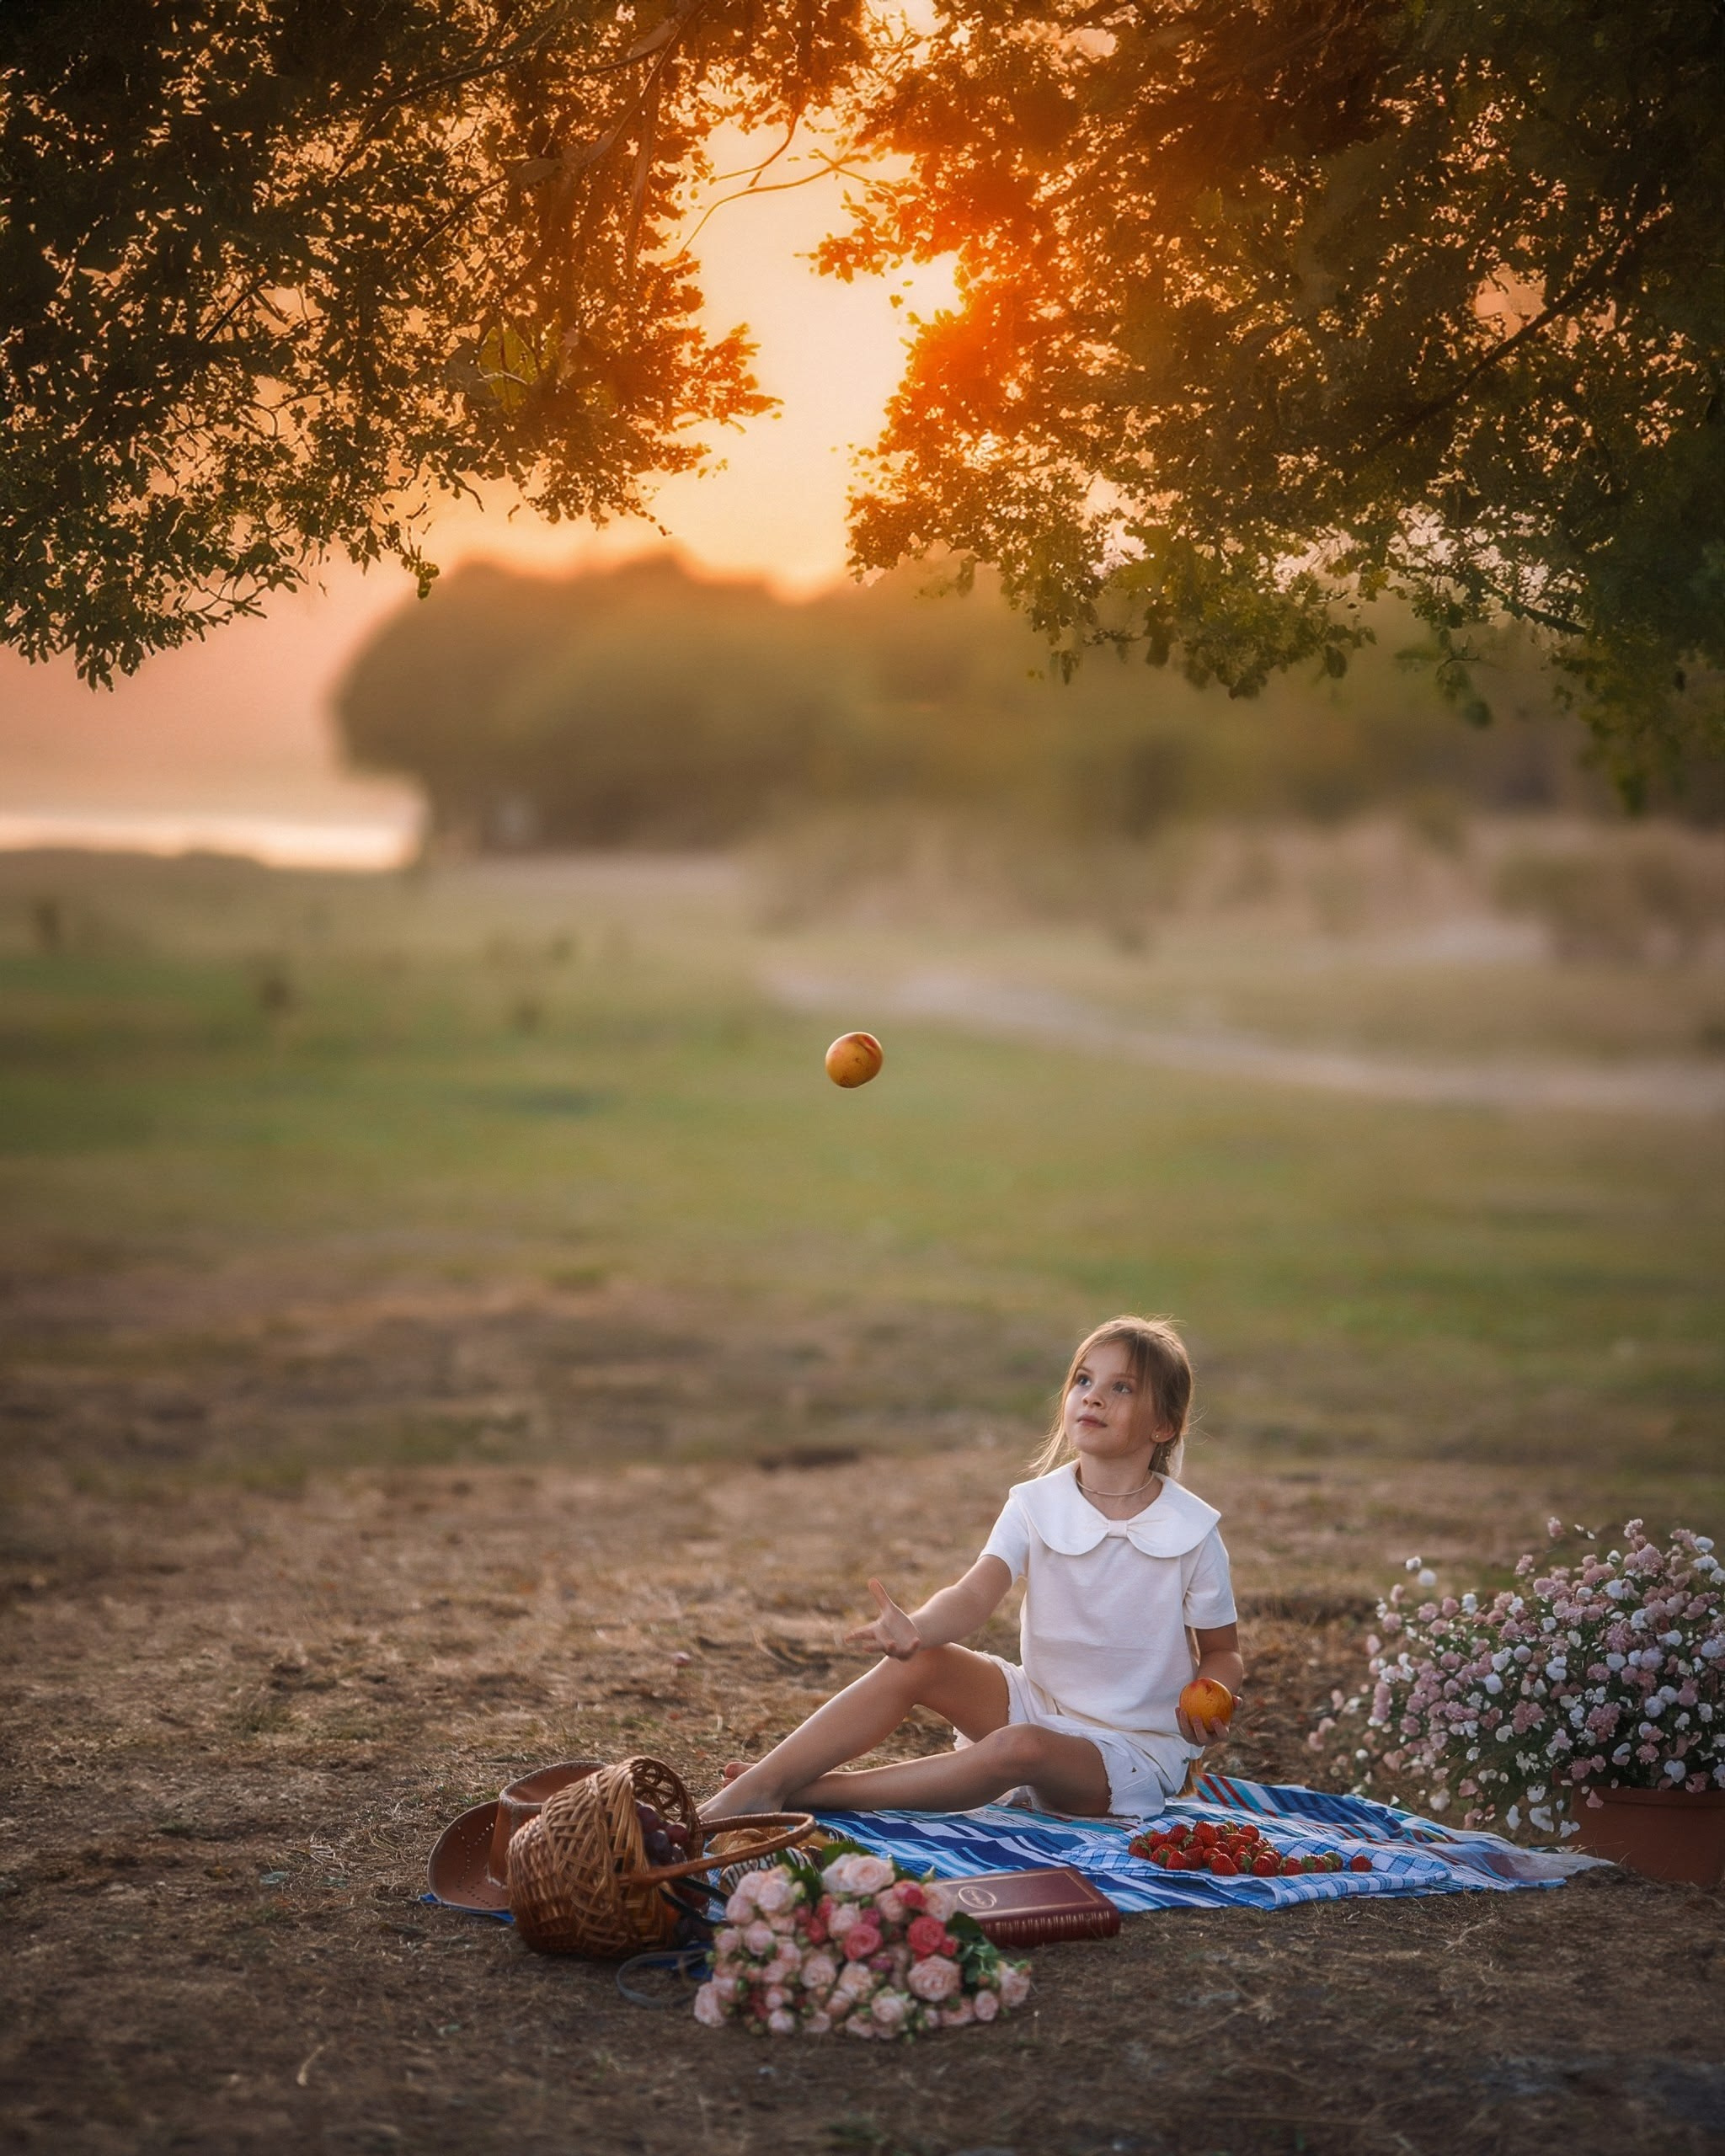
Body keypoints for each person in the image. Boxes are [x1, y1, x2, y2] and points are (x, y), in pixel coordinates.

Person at [700, 1315, 1243, 1822]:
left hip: (1129, 1748)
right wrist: (917, 1627)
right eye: (1083, 1380)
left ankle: (809, 1796)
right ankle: (760, 1786)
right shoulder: (1035, 1504)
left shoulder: (1192, 1530)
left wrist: (1214, 1690)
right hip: (1040, 1703)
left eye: (1121, 1387)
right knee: (924, 1663)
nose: (1093, 1395)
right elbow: (973, 1594)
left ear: (1165, 1426)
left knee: (1019, 1746)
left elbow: (1222, 1649)